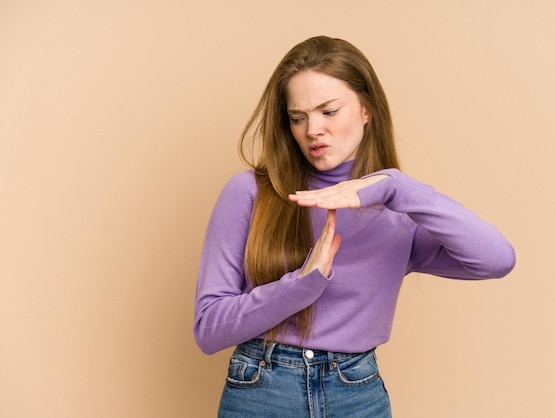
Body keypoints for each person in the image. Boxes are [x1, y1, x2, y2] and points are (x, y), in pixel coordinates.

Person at [193, 35, 516, 417]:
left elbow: (497, 260)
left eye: (329, 111)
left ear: (367, 108)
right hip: (262, 390)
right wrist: (301, 284)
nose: (313, 129)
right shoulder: (249, 192)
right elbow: (208, 329)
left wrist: (396, 186)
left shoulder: (399, 212)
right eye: (298, 117)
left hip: (355, 394)